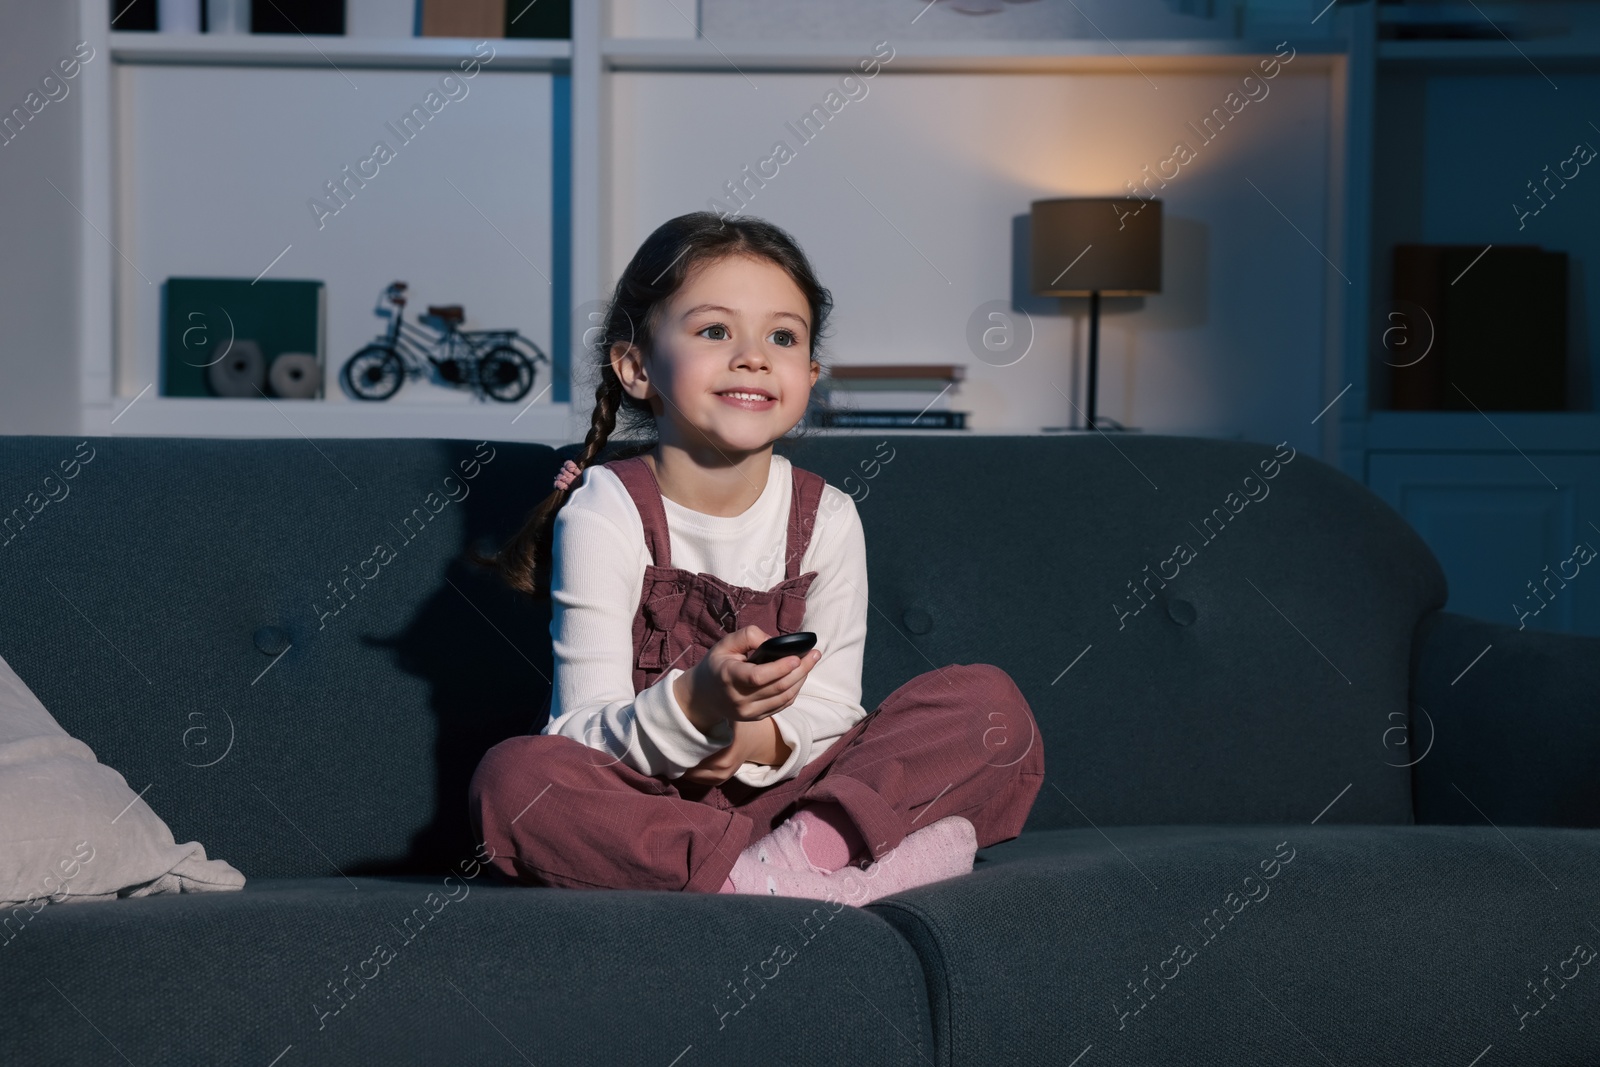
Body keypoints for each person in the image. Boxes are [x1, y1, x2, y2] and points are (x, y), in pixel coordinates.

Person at [467, 211, 1043, 904]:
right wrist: (695, 705)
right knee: (513, 781)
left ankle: (791, 862)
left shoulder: (828, 516)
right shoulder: (607, 508)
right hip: (650, 808)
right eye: (714, 330)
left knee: (991, 708)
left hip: (794, 802)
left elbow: (831, 710)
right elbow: (582, 734)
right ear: (637, 366)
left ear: (810, 373)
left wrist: (753, 741)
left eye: (782, 335)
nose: (753, 355)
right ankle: (788, 880)